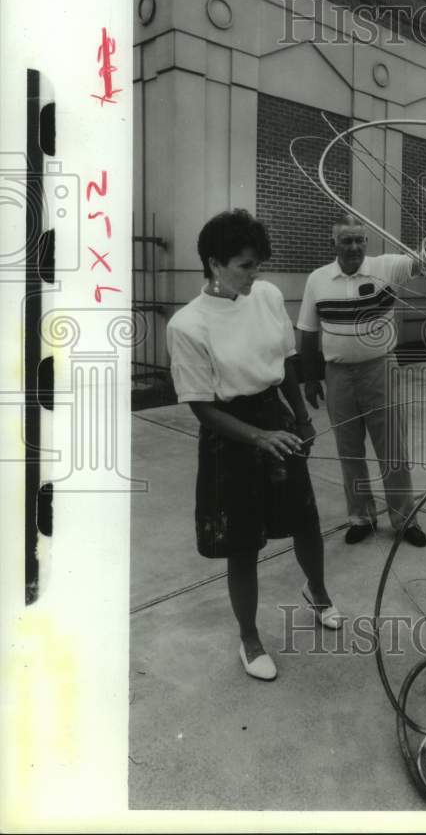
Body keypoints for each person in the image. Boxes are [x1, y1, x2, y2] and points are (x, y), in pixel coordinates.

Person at [166, 209, 342, 682]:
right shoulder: (188, 325)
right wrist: (260, 437)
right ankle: (249, 638)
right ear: (214, 263)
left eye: (258, 264)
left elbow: (286, 360)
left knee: (306, 522)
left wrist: (300, 418)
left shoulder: (263, 296)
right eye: (245, 265)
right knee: (243, 545)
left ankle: (319, 594)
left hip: (275, 417)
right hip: (231, 434)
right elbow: (202, 408)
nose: (255, 274)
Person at [297, 214, 426, 547]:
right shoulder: (317, 279)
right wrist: (311, 379)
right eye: (346, 240)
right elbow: (308, 333)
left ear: (366, 242)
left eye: (359, 240)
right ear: (334, 244)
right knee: (349, 450)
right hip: (338, 374)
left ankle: (404, 519)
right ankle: (361, 517)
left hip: (380, 369)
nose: (354, 246)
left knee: (392, 448)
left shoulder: (388, 267)